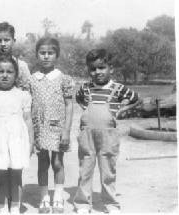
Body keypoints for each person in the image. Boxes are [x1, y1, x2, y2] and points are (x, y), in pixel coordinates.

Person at [73, 49, 140, 214]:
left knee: (108, 170)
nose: (97, 72)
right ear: (89, 70)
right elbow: (79, 98)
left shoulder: (118, 89)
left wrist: (121, 110)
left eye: (101, 67)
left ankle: (111, 204)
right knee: (85, 169)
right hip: (87, 134)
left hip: (109, 135)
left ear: (111, 68)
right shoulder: (86, 88)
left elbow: (136, 98)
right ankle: (82, 204)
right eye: (93, 69)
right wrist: (85, 108)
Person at [0, 56, 34, 214]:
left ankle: (15, 206)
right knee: (0, 175)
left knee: (16, 174)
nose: (5, 75)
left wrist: (31, 142)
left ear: (16, 75)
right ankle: (3, 206)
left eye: (9, 71)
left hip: (17, 139)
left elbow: (28, 120)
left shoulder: (23, 96)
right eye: (0, 71)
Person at [28, 37, 74, 213]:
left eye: (50, 53)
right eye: (42, 53)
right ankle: (44, 198)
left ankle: (58, 197)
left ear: (57, 55)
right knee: (42, 163)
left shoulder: (64, 78)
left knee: (57, 162)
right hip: (39, 127)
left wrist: (66, 131)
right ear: (37, 55)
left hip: (58, 127)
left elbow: (69, 105)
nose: (46, 56)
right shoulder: (32, 79)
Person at [0, 22, 31, 88]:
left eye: (6, 40)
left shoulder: (21, 66)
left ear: (13, 41)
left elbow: (27, 88)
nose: (3, 44)